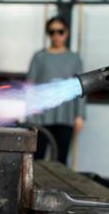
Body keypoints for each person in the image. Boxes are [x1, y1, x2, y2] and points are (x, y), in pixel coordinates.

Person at [27, 16, 85, 164]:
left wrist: (80, 115)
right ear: (48, 34)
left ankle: (57, 187)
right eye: (52, 32)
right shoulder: (40, 57)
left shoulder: (74, 58)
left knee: (60, 160)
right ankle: (32, 187)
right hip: (41, 116)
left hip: (65, 116)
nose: (56, 36)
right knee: (37, 158)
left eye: (60, 31)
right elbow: (30, 86)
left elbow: (80, 87)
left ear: (67, 33)